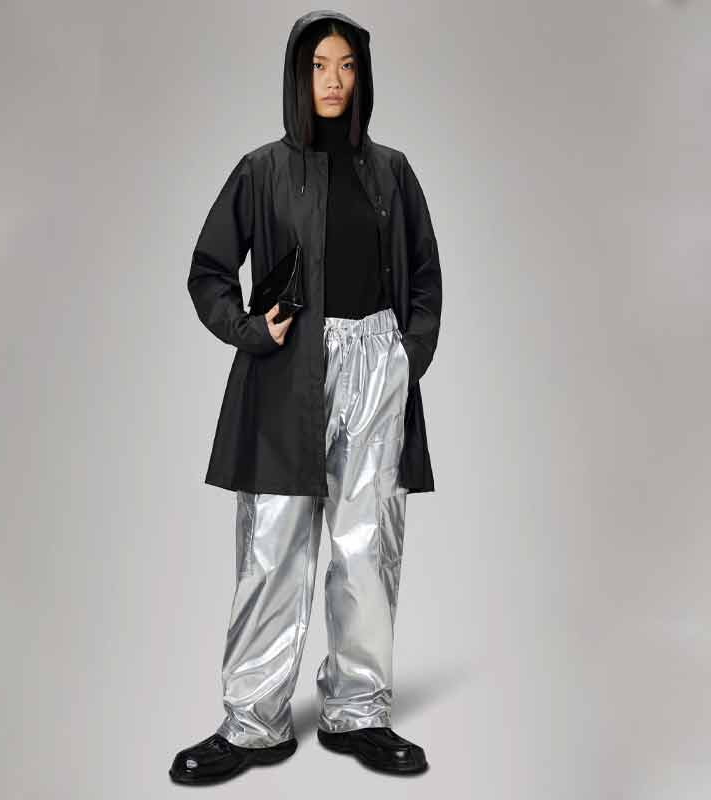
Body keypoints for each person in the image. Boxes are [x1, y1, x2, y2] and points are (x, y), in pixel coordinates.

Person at [171, 9, 442, 785]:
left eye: (346, 65)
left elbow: (425, 276)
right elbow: (209, 270)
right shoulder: (261, 170)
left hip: (376, 365)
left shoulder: (392, 172)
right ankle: (252, 724)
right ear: (298, 74)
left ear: (363, 76)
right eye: (319, 65)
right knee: (272, 548)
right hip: (288, 376)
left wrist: (404, 357)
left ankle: (358, 712)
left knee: (368, 548)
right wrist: (251, 329)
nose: (333, 80)